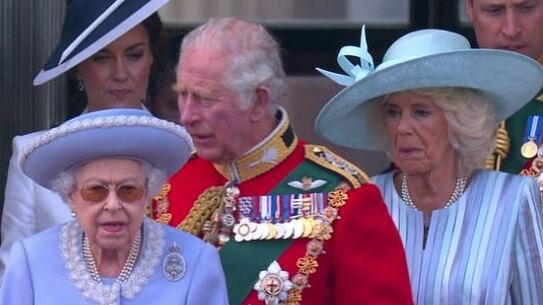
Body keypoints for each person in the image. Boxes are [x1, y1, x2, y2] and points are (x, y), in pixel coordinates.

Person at [151, 18, 414, 305]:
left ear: (258, 101)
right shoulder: (166, 181)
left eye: (204, 99)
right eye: (182, 95)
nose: (186, 115)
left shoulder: (343, 198)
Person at [315, 27, 543, 304]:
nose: (402, 128)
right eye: (393, 112)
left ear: (458, 120)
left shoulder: (513, 198)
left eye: (421, 112)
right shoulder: (361, 200)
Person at [0, 0, 169, 280]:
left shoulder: (185, 153)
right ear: (78, 67)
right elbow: (12, 277)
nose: (120, 73)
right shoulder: (33, 154)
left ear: (152, 59)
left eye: (134, 55)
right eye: (101, 57)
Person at [0, 108, 228, 305]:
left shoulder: (195, 260)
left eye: (128, 190)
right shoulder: (31, 260)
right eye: (95, 191)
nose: (112, 205)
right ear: (70, 196)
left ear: (147, 193)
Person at [465, 0, 543, 192]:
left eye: (527, 8)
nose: (511, 29)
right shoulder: (443, 97)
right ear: (470, 9)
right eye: (494, 10)